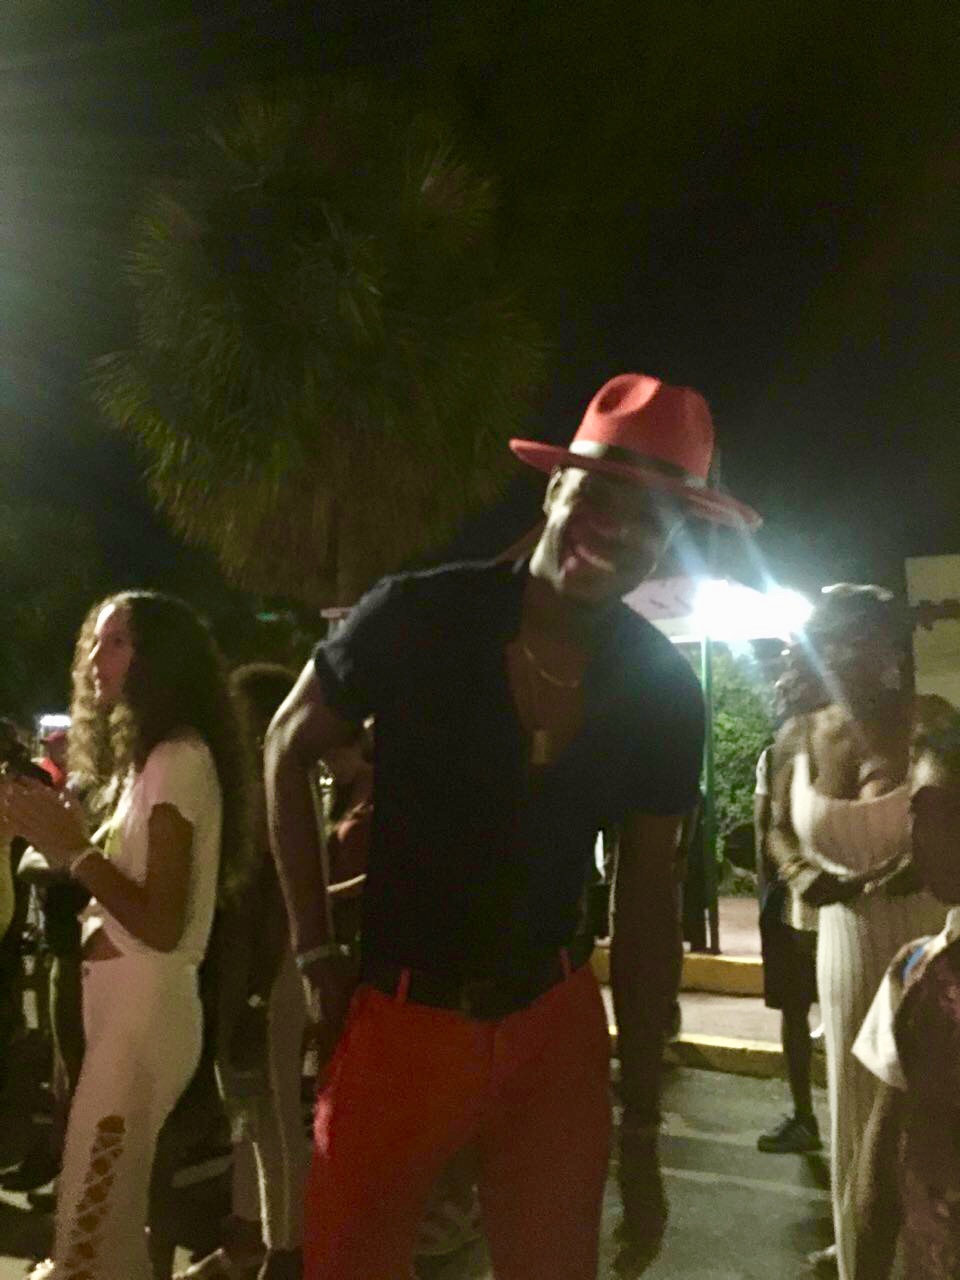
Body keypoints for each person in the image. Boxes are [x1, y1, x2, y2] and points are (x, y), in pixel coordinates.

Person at [265, 371, 760, 1280]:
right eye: (599, 494)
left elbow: (648, 907)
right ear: (554, 486)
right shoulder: (420, 616)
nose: (617, 528)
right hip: (401, 1013)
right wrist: (314, 953)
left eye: (652, 517)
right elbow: (285, 745)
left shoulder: (662, 690)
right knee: (348, 1261)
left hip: (554, 1022)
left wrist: (640, 1124)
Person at [1, 591, 248, 1280]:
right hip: (124, 1016)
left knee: (83, 1241)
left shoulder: (177, 760)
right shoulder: (149, 762)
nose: (93, 659)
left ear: (160, 658)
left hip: (145, 1017)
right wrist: (56, 835)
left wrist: (76, 851)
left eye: (116, 642)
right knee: (110, 1238)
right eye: (93, 641)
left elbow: (162, 923)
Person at [768, 585, 948, 1279]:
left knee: (925, 1105)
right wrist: (798, 873)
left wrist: (925, 859)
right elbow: (777, 829)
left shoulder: (933, 720)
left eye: (867, 641)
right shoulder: (799, 735)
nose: (854, 656)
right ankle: (859, 1250)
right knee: (854, 1099)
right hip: (844, 940)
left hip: (928, 936)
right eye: (837, 643)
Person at [850, 709, 960, 1279]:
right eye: (916, 811)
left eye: (945, 811)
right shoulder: (916, 973)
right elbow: (880, 1160)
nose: (921, 833)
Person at [755, 661, 827, 1154]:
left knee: (804, 1012)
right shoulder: (776, 752)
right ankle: (805, 1117)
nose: (781, 686)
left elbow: (766, 827)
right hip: (795, 901)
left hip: (834, 902)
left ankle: (812, 1117)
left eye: (793, 676)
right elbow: (768, 830)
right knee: (796, 1011)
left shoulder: (848, 739)